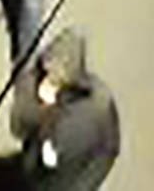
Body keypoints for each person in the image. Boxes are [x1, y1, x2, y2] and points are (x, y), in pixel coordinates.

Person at [12, 33, 123, 190]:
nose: (46, 82)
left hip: (73, 175)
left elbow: (51, 159)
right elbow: (18, 126)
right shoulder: (33, 82)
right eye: (47, 74)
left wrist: (48, 112)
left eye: (55, 79)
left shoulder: (91, 109)